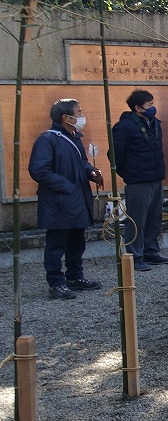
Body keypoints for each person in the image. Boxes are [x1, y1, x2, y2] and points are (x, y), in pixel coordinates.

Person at [29, 99, 104, 300]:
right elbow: (39, 170)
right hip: (59, 202)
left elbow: (82, 162)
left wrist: (91, 173)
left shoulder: (74, 137)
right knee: (56, 245)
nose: (81, 116)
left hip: (77, 200)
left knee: (77, 242)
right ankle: (56, 282)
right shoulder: (48, 139)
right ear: (66, 117)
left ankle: (75, 277)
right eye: (78, 112)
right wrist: (67, 185)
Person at [111, 89, 168, 272]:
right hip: (138, 180)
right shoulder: (125, 126)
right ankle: (134, 256)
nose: (153, 108)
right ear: (137, 108)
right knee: (136, 220)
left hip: (156, 177)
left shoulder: (154, 123)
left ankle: (151, 251)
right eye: (149, 105)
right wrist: (127, 173)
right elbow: (114, 154)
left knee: (154, 218)